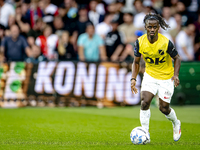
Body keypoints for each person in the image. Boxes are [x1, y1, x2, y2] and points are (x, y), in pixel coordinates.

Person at [131, 13, 181, 142]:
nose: (152, 29)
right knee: (145, 101)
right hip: (150, 76)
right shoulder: (139, 42)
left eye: (155, 27)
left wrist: (175, 75)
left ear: (159, 27)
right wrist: (133, 78)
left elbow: (177, 58)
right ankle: (145, 132)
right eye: (150, 27)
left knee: (163, 108)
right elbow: (136, 62)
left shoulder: (165, 42)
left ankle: (176, 123)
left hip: (166, 77)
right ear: (145, 27)